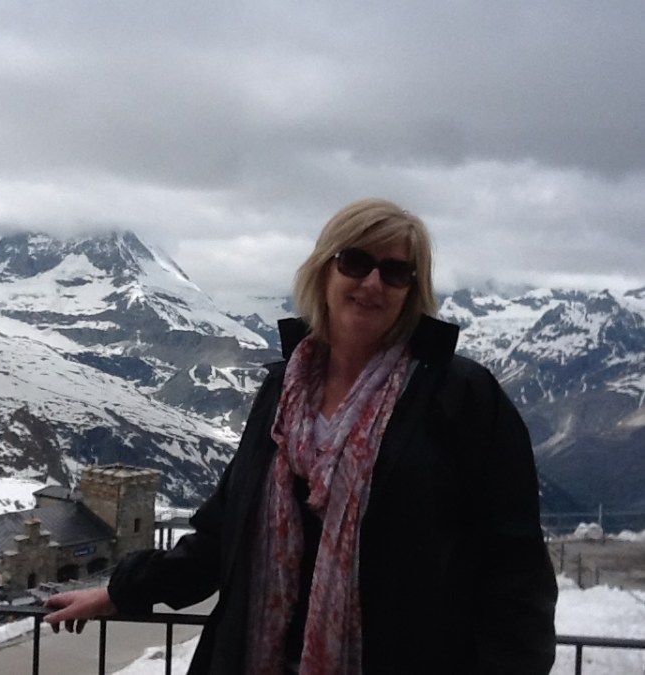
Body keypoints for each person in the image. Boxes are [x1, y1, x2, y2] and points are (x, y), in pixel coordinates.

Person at [44, 199, 557, 674]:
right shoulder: (282, 390)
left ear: (412, 290)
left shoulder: (459, 397)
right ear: (324, 270)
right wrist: (120, 592)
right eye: (356, 262)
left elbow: (514, 566)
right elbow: (225, 535)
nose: (373, 283)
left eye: (396, 272)